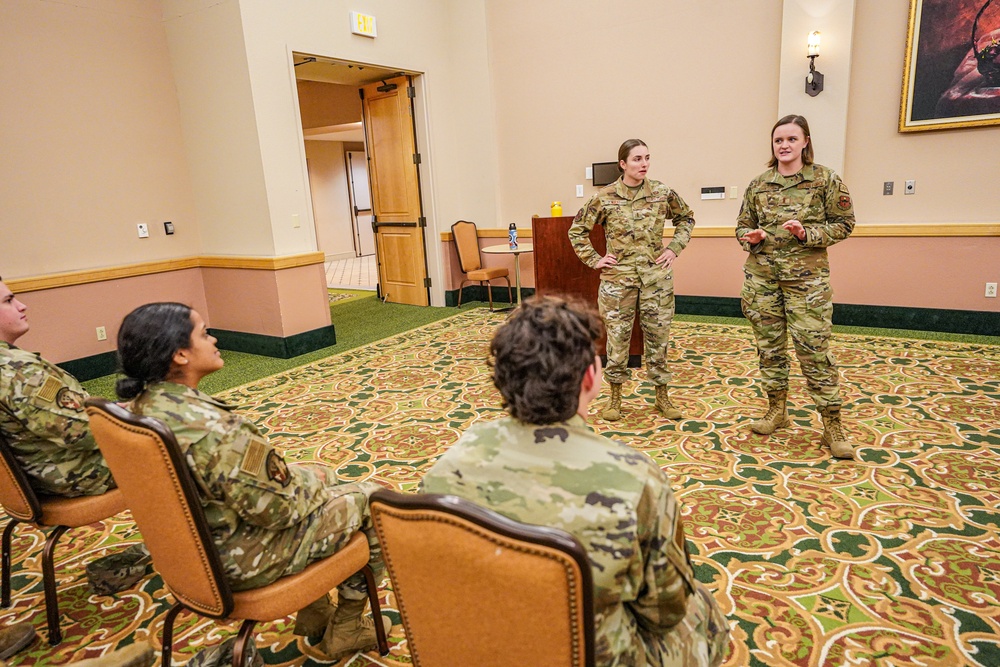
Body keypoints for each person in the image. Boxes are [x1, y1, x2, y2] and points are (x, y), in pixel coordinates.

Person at [421, 295, 729, 667]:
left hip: (476, 643)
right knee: (706, 611)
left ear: (501, 376)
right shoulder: (637, 480)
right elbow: (665, 612)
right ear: (590, 378)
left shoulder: (449, 461)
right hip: (586, 655)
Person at [115, 302, 388, 660]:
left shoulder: (140, 409)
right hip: (239, 561)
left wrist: (313, 479)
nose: (214, 339)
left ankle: (315, 610)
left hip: (190, 553)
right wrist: (317, 487)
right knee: (375, 499)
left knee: (322, 473)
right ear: (180, 354)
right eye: (203, 333)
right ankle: (347, 628)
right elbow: (280, 510)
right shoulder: (216, 431)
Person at [0, 277, 150, 603]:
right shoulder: (17, 371)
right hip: (71, 476)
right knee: (186, 450)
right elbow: (82, 432)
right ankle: (195, 556)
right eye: (8, 301)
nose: (22, 305)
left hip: (32, 475)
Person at [735, 114, 855, 459]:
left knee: (814, 352)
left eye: (790, 139)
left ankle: (832, 423)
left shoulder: (825, 180)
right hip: (763, 280)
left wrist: (808, 234)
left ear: (805, 142)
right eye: (778, 140)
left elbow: (845, 223)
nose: (784, 145)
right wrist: (751, 237)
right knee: (769, 349)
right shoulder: (759, 184)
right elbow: (742, 225)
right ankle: (777, 410)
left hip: (807, 283)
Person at [569, 139, 695, 422]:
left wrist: (673, 248)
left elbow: (686, 218)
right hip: (618, 280)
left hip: (655, 279)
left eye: (647, 158)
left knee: (658, 338)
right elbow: (577, 230)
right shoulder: (605, 196)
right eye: (637, 159)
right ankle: (615, 398)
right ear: (623, 164)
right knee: (617, 339)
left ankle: (662, 396)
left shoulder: (662, 193)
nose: (644, 164)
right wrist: (595, 258)